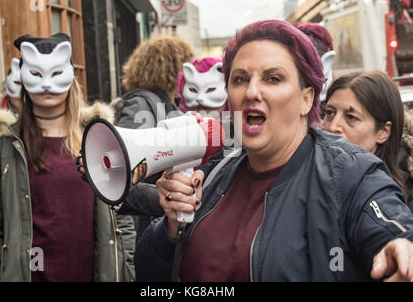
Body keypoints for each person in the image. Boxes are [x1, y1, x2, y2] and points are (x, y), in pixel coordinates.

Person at [134, 20, 413, 282]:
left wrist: (400, 246)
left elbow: (392, 228)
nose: (252, 92)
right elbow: (149, 273)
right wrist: (171, 227)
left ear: (307, 99)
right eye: (240, 79)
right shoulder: (214, 170)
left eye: (273, 79)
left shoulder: (351, 173)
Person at [0, 33, 135, 282]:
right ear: (23, 78)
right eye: (36, 74)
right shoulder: (1, 145)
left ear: (70, 77)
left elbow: (121, 213)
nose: (47, 85)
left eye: (56, 74)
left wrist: (126, 269)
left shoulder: (100, 136)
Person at [113, 35, 194, 241]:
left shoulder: (156, 102)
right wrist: (166, 199)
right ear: (172, 71)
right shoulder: (142, 105)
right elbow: (119, 172)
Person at [322, 71, 413, 212]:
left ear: (383, 132)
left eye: (351, 117)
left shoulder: (404, 198)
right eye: (329, 113)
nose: (333, 127)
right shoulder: (305, 175)